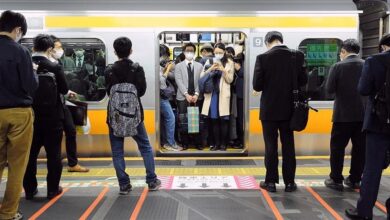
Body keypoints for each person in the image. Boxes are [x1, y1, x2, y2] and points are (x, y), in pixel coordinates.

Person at [252, 31, 307, 192]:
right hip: (290, 109)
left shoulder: (262, 58)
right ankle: (290, 182)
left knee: (271, 146)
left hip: (269, 110)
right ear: (281, 40)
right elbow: (304, 80)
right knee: (288, 145)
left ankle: (270, 182)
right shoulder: (297, 56)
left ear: (268, 42)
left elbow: (257, 86)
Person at [105, 37, 161, 194]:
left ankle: (124, 185)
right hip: (135, 116)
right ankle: (151, 181)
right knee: (145, 147)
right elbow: (141, 91)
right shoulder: (137, 68)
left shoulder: (109, 70)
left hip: (114, 117)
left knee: (117, 151)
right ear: (130, 51)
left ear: (115, 52)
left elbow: (108, 92)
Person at [345, 34, 390, 220]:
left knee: (372, 169)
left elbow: (363, 89)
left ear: (384, 46)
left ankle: (364, 212)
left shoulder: (374, 61)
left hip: (378, 124)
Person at [0, 10, 37, 220]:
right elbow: (30, 86)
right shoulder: (20, 52)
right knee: (16, 165)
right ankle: (8, 212)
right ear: (17, 30)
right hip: (18, 113)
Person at [23, 34, 69, 200]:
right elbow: (64, 90)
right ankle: (52, 189)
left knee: (30, 155)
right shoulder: (54, 66)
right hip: (53, 117)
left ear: (34, 47)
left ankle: (29, 189)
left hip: (30, 117)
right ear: (50, 49)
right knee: (54, 154)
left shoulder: (26, 64)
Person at [324, 39, 366, 191]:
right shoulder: (366, 64)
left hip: (342, 116)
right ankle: (355, 179)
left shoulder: (337, 66)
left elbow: (329, 90)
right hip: (362, 115)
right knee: (360, 148)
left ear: (343, 52)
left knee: (337, 147)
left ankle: (336, 179)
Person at [49, 35, 89, 172]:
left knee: (71, 130)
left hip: (62, 102)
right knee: (50, 135)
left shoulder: (60, 63)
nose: (61, 50)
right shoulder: (46, 64)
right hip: (51, 106)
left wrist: (67, 92)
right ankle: (54, 160)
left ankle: (72, 163)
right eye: (58, 47)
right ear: (50, 48)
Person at [200, 43, 234, 151]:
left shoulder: (229, 63)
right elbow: (201, 77)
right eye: (216, 53)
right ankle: (215, 144)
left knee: (223, 120)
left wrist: (223, 70)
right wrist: (211, 68)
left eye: (220, 52)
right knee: (214, 120)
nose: (218, 54)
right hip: (212, 94)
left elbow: (230, 80)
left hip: (223, 94)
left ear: (224, 52)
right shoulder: (209, 61)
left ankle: (224, 144)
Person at [174, 42, 204, 150]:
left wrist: (196, 94)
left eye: (191, 51)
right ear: (184, 52)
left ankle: (198, 143)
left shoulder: (200, 66)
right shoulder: (178, 66)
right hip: (182, 97)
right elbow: (179, 81)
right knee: (183, 120)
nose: (189, 53)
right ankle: (185, 143)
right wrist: (186, 94)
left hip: (197, 97)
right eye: (187, 51)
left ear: (194, 53)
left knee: (196, 119)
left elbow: (201, 81)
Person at [159, 44, 181, 151]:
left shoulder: (158, 63)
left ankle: (165, 142)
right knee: (171, 118)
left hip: (161, 96)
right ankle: (170, 143)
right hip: (161, 96)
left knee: (165, 119)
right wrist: (167, 69)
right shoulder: (159, 64)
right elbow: (162, 82)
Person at [232, 53, 245, 149]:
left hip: (243, 96)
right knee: (238, 119)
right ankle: (240, 139)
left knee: (241, 120)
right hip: (239, 95)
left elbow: (243, 74)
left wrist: (239, 68)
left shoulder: (245, 67)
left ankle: (242, 141)